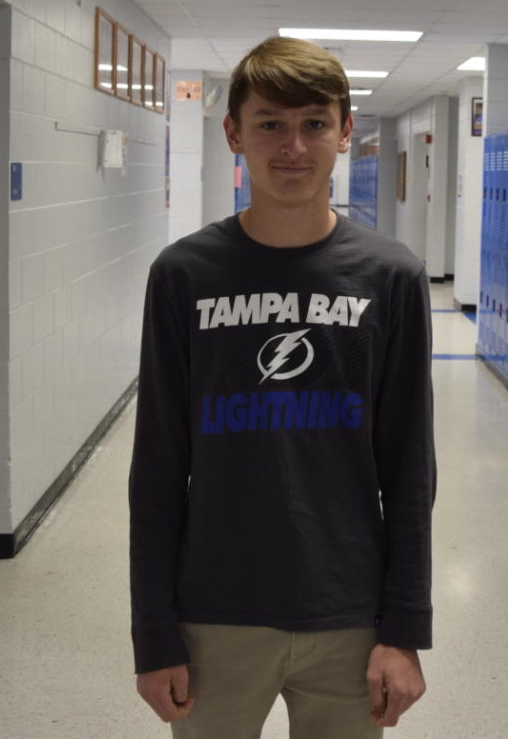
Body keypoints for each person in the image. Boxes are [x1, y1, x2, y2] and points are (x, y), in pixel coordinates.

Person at [129, 36, 435, 738]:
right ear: (234, 132)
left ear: (345, 131)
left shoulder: (391, 277)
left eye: (314, 124)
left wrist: (404, 627)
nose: (292, 146)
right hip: (212, 611)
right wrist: (154, 632)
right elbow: (157, 468)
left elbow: (410, 466)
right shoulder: (184, 275)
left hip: (351, 615)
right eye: (270, 123)